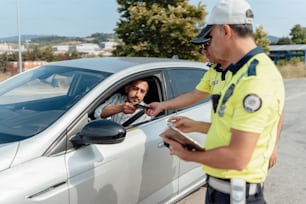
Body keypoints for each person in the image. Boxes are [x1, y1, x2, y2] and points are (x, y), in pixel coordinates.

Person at [162, 0, 285, 203]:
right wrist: (195, 126)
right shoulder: (237, 72)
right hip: (222, 188)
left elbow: (238, 157)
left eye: (210, 37)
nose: (207, 45)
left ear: (225, 31)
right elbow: (230, 127)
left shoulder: (254, 79)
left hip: (237, 193)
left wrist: (187, 154)